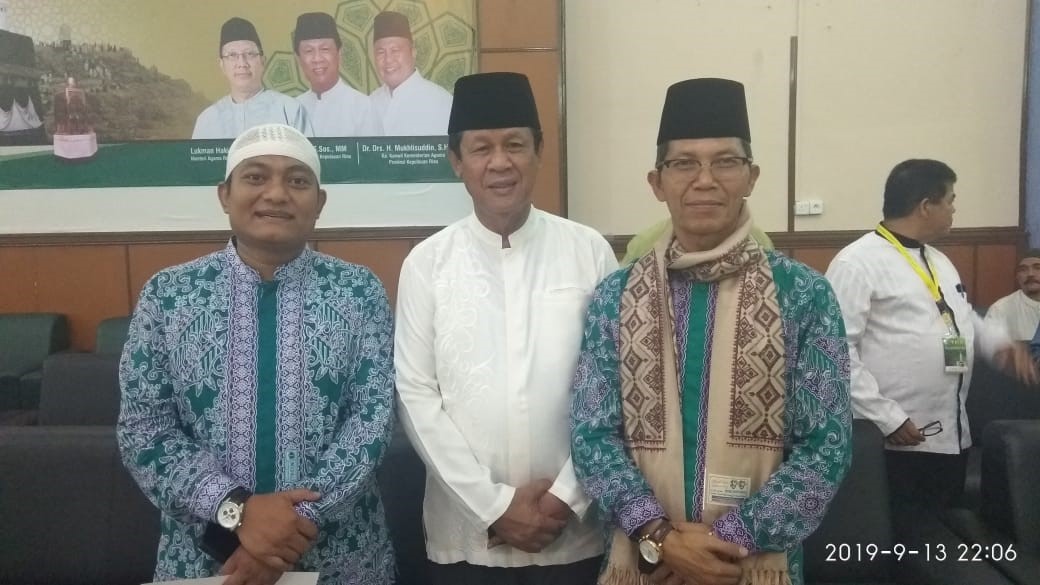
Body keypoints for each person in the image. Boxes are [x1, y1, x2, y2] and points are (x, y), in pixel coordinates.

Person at [570, 78, 852, 585]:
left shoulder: (804, 294)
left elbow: (826, 445)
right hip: (645, 559)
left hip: (754, 562)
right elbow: (593, 434)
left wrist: (724, 544)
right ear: (657, 182)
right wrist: (661, 539)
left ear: (752, 176)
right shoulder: (614, 298)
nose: (705, 179)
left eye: (726, 161)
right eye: (684, 163)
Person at [118, 123, 395, 585]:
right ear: (224, 195)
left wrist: (289, 524)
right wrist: (237, 512)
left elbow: (372, 421)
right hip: (207, 561)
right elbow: (145, 429)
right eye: (255, 177)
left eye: (298, 181)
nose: (277, 193)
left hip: (342, 557)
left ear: (320, 203)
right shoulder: (169, 295)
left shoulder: (358, 291)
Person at [394, 72, 617, 584]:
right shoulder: (427, 263)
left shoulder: (589, 252)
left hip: (575, 533)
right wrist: (493, 505)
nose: (500, 163)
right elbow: (415, 393)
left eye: (515, 144)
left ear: (539, 150)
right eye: (481, 148)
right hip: (466, 536)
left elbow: (617, 388)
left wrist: (566, 496)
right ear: (457, 161)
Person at [825, 159, 1037, 541]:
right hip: (894, 439)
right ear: (926, 205)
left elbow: (961, 317)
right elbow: (836, 350)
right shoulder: (857, 262)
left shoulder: (939, 261)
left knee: (942, 540)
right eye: (951, 201)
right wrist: (885, 416)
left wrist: (999, 346)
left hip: (950, 434)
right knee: (902, 544)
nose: (954, 210)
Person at [193, 18, 312, 139]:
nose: (242, 63)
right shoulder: (207, 120)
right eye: (232, 55)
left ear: (262, 61)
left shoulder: (289, 109)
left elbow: (309, 156)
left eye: (249, 54)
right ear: (222, 65)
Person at [369, 11, 453, 136]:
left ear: (413, 52)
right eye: (381, 52)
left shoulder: (440, 101)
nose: (388, 59)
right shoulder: (370, 102)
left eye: (395, 50)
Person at [292, 12, 376, 137]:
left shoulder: (362, 106)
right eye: (308, 51)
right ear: (298, 59)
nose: (317, 58)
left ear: (339, 53)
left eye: (324, 49)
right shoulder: (294, 109)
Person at [984, 249, 1040, 340]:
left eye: (1038, 268)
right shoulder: (1000, 309)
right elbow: (988, 347)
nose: (1030, 274)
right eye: (1023, 270)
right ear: (1017, 277)